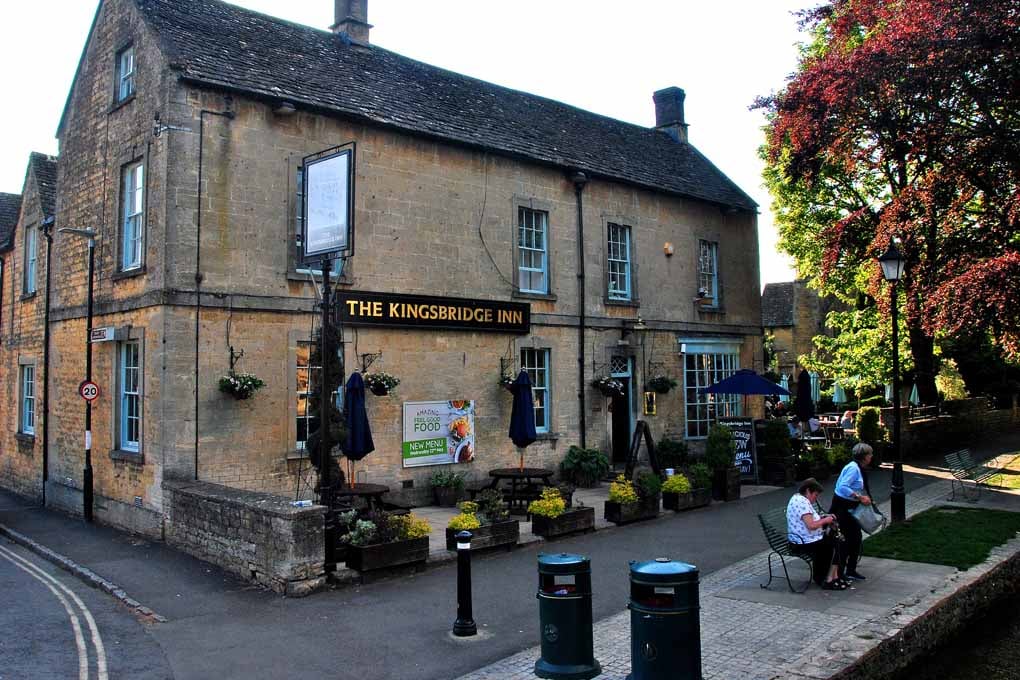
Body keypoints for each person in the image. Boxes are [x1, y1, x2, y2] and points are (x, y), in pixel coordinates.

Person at [786, 478, 847, 590]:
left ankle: (833, 576)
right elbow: (811, 525)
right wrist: (826, 521)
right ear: (808, 491)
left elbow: (809, 521)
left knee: (837, 539)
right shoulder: (801, 502)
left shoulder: (798, 498)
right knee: (836, 543)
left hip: (806, 538)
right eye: (815, 495)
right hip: (802, 542)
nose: (815, 499)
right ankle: (828, 578)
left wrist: (824, 518)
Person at [830, 443, 873, 580]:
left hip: (849, 508)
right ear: (864, 457)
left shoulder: (857, 468)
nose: (871, 457)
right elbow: (842, 487)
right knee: (847, 539)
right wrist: (859, 497)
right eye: (870, 454)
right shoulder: (853, 469)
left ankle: (850, 569)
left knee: (856, 538)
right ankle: (841, 572)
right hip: (843, 508)